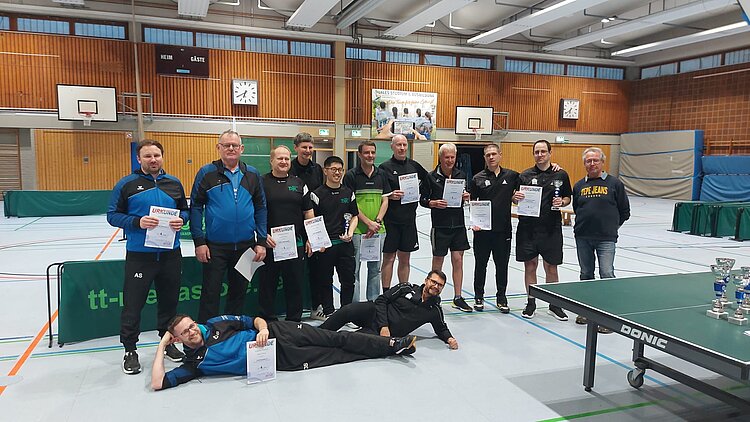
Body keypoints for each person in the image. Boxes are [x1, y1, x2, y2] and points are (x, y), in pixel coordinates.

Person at [150, 314, 417, 390]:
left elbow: (253, 319)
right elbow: (158, 383)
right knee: (338, 355)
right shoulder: (194, 364)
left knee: (335, 338)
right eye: (185, 332)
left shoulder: (216, 324)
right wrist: (162, 346)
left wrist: (264, 329)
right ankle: (386, 349)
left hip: (280, 333)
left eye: (192, 326)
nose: (192, 331)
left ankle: (393, 344)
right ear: (178, 339)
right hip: (280, 360)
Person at [107, 139, 189, 374]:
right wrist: (137, 222)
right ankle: (130, 349)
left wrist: (182, 220)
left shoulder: (174, 183)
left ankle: (167, 342)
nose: (153, 160)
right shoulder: (126, 184)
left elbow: (185, 210)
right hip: (140, 256)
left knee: (169, 302)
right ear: (139, 159)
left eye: (156, 155)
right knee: (133, 305)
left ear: (162, 157)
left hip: (170, 254)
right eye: (147, 156)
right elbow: (112, 215)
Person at [190, 130, 267, 323]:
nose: (231, 148)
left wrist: (261, 242)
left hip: (246, 246)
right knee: (210, 293)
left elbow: (261, 207)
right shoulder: (206, 173)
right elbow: (196, 207)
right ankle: (207, 332)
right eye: (226, 145)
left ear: (242, 149)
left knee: (239, 292)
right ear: (219, 148)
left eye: (235, 145)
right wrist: (199, 242)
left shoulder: (253, 174)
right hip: (215, 247)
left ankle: (231, 330)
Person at [320, 270, 458, 350]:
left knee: (351, 339)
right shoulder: (406, 288)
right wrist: (384, 325)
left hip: (385, 334)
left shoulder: (434, 309)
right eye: (434, 282)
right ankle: (317, 333)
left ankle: (322, 344)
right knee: (348, 310)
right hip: (375, 314)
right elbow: (381, 300)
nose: (436, 286)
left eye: (440, 285)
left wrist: (450, 339)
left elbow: (441, 328)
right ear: (426, 280)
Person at [572, 147, 630, 330]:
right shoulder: (579, 186)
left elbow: (624, 211)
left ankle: (608, 316)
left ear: (602, 162)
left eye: (595, 160)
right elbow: (577, 209)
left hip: (606, 238)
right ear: (584, 163)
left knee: (606, 273)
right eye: (588, 161)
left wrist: (610, 227)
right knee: (586, 274)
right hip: (583, 237)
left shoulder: (615, 184)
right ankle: (586, 311)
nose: (592, 164)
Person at [514, 140, 572, 320]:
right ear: (533, 154)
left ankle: (554, 304)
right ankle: (531, 302)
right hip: (528, 229)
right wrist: (515, 197)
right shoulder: (524, 175)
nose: (540, 155)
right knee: (530, 266)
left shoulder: (561, 174)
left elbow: (568, 197)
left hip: (551, 228)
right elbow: (515, 199)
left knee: (551, 267)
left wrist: (562, 202)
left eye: (543, 151)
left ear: (550, 153)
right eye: (537, 152)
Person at [258, 146, 314, 322]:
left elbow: (308, 212)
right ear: (271, 161)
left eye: (287, 159)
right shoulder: (261, 183)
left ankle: (293, 322)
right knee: (267, 286)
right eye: (279, 158)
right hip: (269, 244)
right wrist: (261, 236)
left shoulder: (299, 183)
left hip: (295, 245)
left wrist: (310, 238)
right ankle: (268, 322)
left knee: (295, 285)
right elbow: (253, 211)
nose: (283, 162)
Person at [421, 143, 472, 312]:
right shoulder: (430, 177)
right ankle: (431, 297)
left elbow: (466, 193)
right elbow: (422, 199)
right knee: (438, 262)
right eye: (446, 157)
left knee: (458, 260)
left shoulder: (461, 175)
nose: (450, 160)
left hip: (458, 225)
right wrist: (433, 203)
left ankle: (458, 297)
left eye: (452, 157)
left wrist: (466, 196)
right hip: (440, 226)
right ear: (440, 157)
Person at [469, 143, 519, 313]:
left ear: (500, 155)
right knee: (480, 265)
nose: (491, 157)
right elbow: (473, 203)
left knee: (502, 266)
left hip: (503, 231)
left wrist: (554, 166)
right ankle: (478, 297)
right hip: (482, 232)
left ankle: (501, 298)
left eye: (493, 154)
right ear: (484, 157)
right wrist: (474, 222)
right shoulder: (477, 178)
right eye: (488, 155)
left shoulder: (512, 176)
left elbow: (530, 180)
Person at [309, 156, 359, 318]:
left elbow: (354, 216)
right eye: (334, 169)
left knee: (348, 280)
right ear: (325, 171)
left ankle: (347, 313)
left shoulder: (348, 193)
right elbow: (312, 220)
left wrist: (350, 233)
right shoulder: (316, 194)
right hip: (325, 247)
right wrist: (318, 241)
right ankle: (329, 312)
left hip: (345, 245)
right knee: (325, 280)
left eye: (340, 170)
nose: (337, 173)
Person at [379, 134, 430, 290]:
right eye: (398, 145)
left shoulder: (414, 166)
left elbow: (428, 180)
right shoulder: (384, 168)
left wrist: (421, 193)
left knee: (405, 258)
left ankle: (403, 290)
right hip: (391, 221)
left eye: (404, 145)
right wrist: (390, 195)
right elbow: (379, 191)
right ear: (392, 147)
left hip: (408, 221)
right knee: (389, 258)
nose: (402, 148)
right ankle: (386, 292)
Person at [343, 141, 391, 302]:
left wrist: (376, 222)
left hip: (378, 230)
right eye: (366, 152)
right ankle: (355, 307)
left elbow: (385, 200)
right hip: (357, 230)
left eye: (372, 152)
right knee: (355, 270)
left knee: (375, 270)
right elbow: (352, 204)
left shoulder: (381, 174)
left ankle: (373, 305)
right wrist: (368, 223)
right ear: (359, 154)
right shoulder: (351, 175)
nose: (370, 155)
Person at [288, 132, 325, 320]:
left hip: (313, 224)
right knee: (293, 271)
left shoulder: (317, 169)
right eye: (304, 147)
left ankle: (316, 307)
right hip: (293, 226)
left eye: (310, 147)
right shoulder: (288, 167)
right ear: (296, 148)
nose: (308, 150)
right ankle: (293, 310)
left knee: (317, 269)